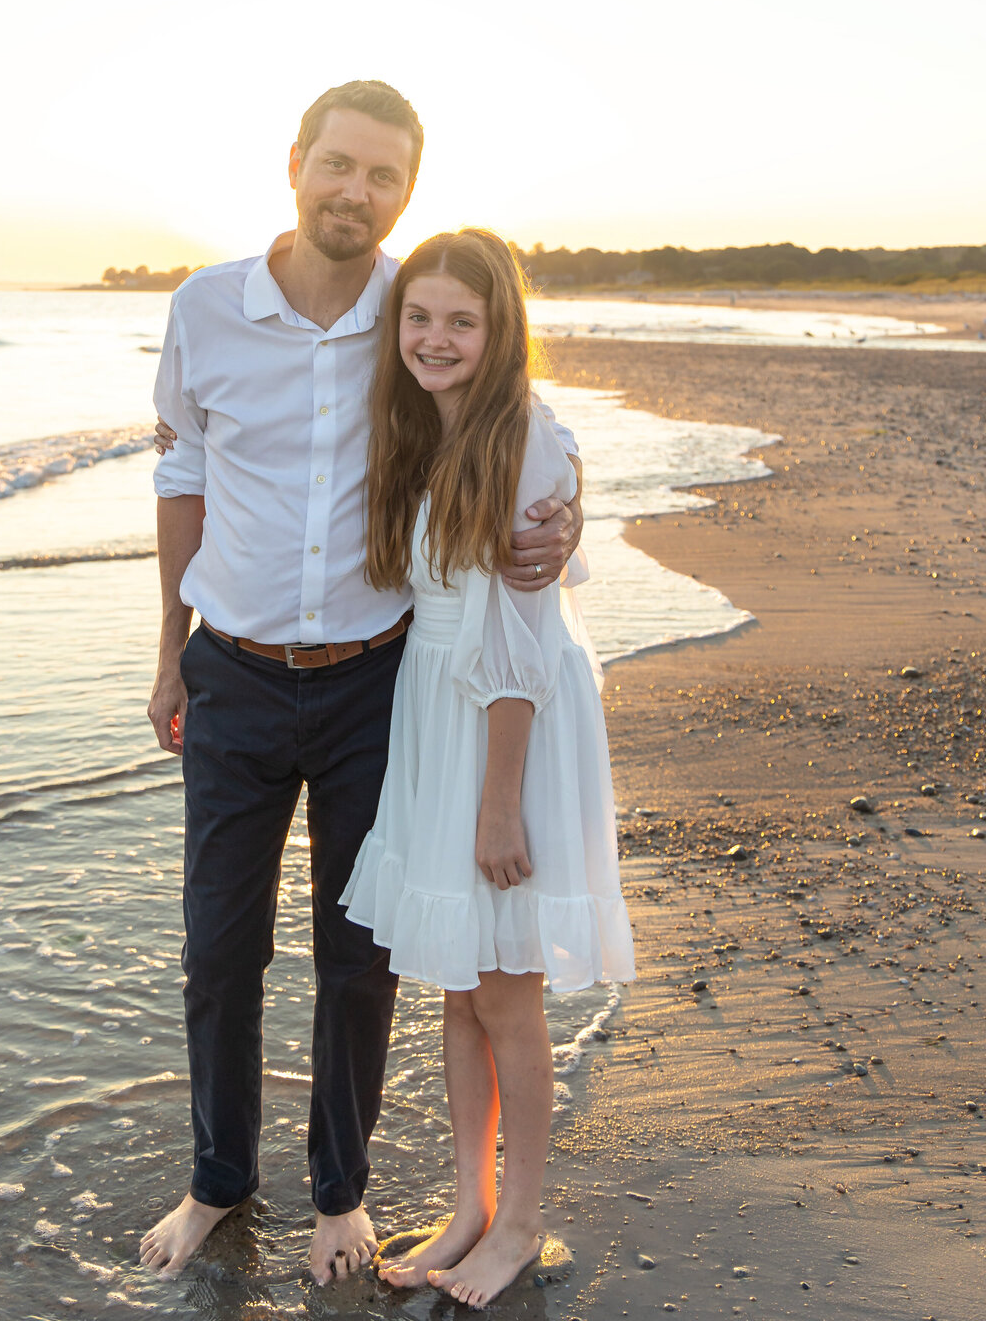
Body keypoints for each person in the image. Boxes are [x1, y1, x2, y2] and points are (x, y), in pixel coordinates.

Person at [137, 81, 585, 1284]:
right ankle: (217, 1184)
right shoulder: (206, 306)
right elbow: (180, 468)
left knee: (361, 951)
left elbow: (518, 418)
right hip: (228, 671)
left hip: (379, 682)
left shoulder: (420, 305)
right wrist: (167, 646)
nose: (357, 192)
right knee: (218, 948)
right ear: (294, 162)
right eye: (338, 165)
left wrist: (572, 505)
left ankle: (343, 1195)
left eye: (382, 176)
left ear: (407, 191)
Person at [340, 227, 635, 1310]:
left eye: (461, 320)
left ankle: (520, 1222)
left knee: (507, 997)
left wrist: (498, 805)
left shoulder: (522, 442)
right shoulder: (438, 432)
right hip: (442, 724)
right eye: (418, 317)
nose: (434, 337)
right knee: (461, 994)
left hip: (500, 736)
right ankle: (469, 1205)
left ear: (500, 328)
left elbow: (517, 652)